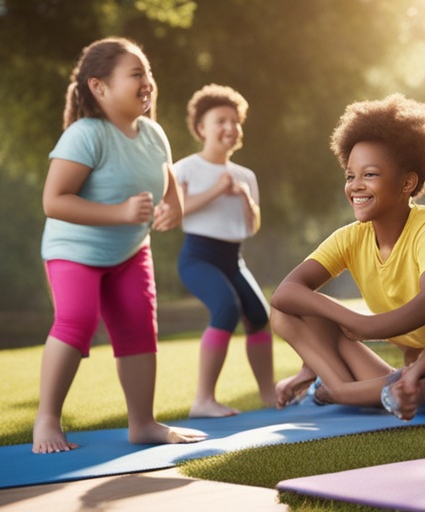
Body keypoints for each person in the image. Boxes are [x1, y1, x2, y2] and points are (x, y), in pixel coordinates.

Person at [271, 94, 425, 421]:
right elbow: (285, 294)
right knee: (283, 314)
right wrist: (340, 328)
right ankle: (357, 388)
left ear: (407, 182)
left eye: (370, 174)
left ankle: (340, 393)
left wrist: (364, 325)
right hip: (414, 382)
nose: (356, 186)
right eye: (350, 176)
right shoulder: (350, 238)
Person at [33, 37, 206, 453]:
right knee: (77, 321)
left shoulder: (153, 135)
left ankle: (143, 423)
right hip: (74, 250)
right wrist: (120, 213)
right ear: (99, 87)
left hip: (129, 251)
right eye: (135, 74)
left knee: (139, 327)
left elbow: (168, 186)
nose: (147, 82)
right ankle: (47, 421)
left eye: (148, 73)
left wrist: (173, 211)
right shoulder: (86, 135)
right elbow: (54, 201)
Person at [174, 84, 275, 417]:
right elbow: (176, 211)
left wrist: (245, 198)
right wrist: (217, 190)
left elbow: (252, 226)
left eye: (235, 121)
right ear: (202, 128)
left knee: (260, 317)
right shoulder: (184, 169)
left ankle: (268, 394)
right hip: (198, 256)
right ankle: (203, 401)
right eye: (221, 120)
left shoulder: (246, 176)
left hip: (234, 258)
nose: (230, 127)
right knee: (226, 309)